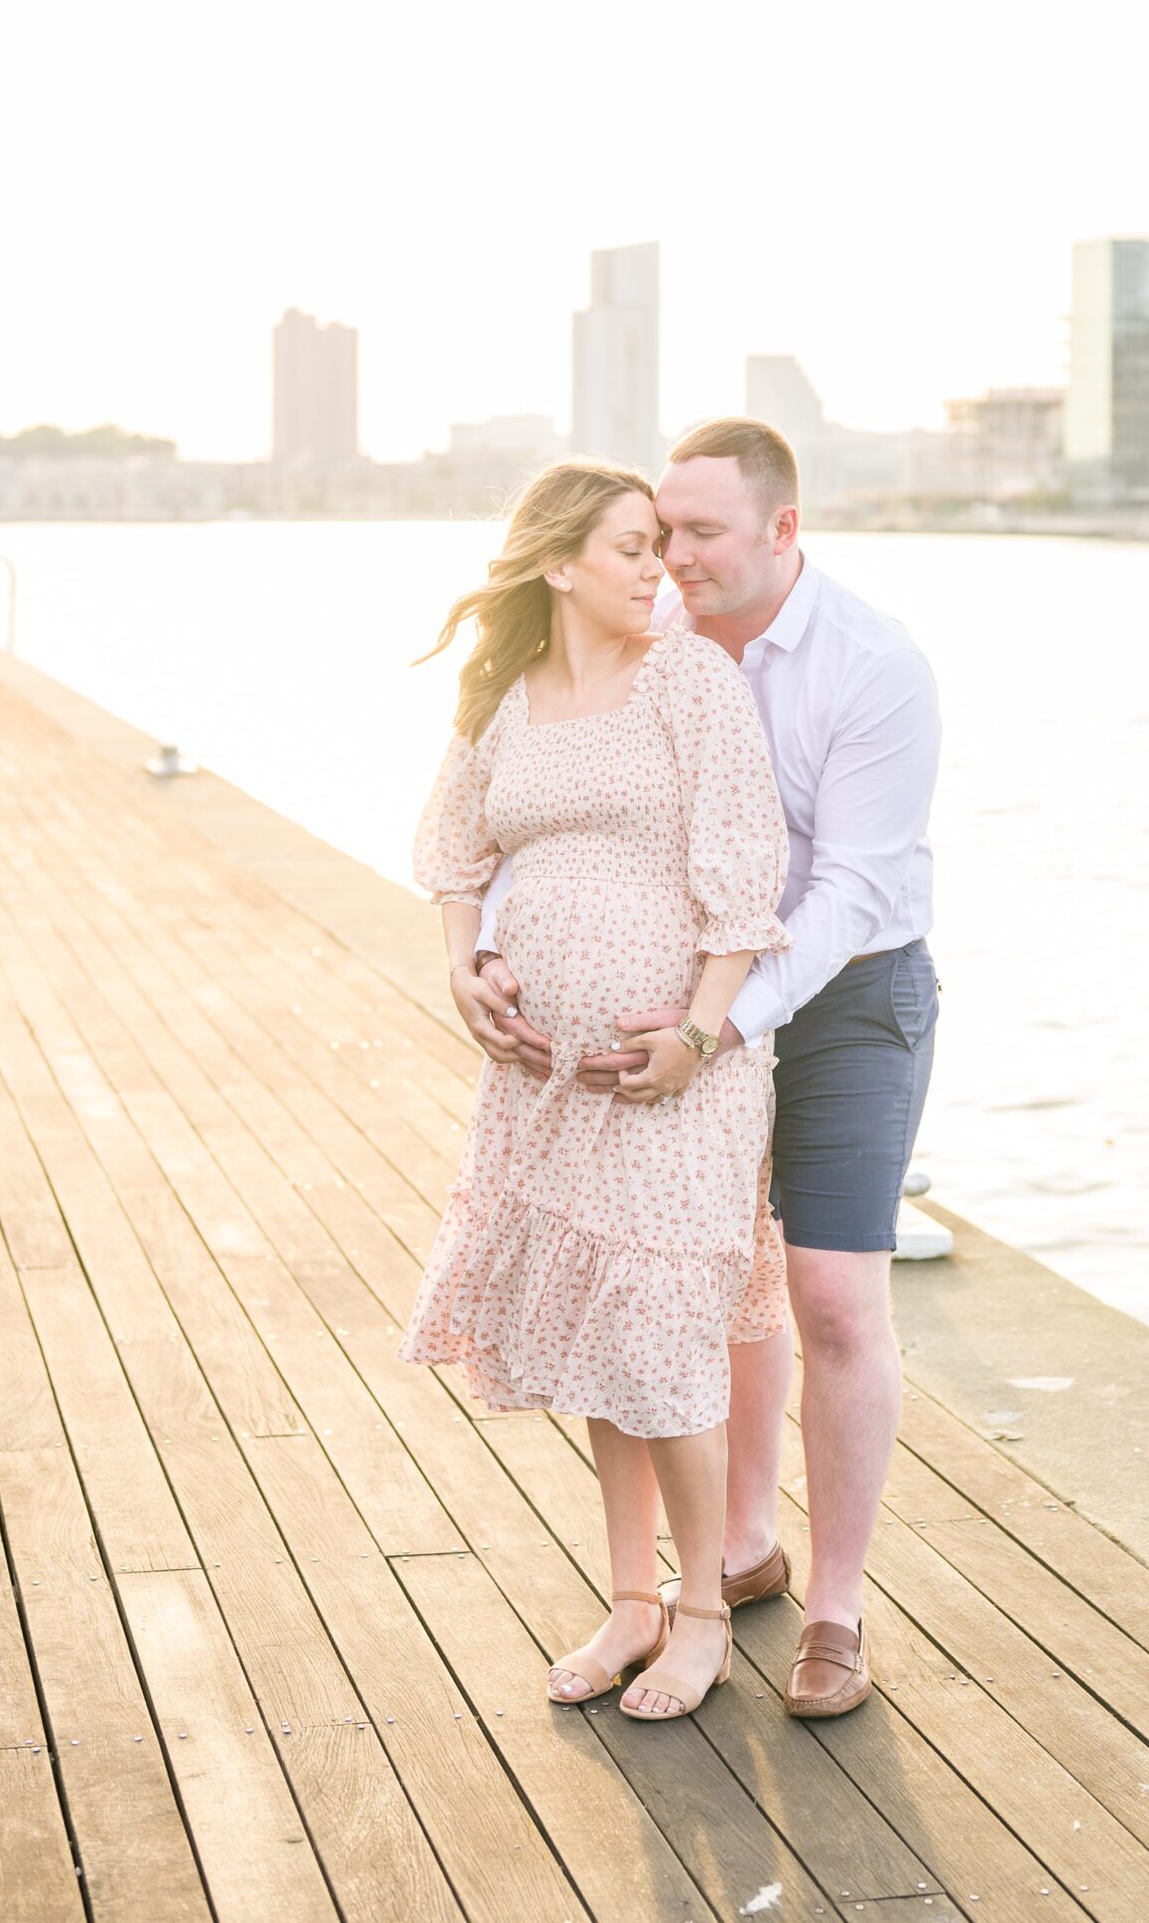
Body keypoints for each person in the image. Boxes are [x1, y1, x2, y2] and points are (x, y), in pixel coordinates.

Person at [460, 418, 941, 1718]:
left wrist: (714, 1027)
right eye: (655, 533)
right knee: (701, 1288)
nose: (670, 555)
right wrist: (493, 944)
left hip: (838, 992)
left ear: (782, 532)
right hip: (673, 1021)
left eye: (699, 534)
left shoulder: (869, 667)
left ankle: (832, 1613)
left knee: (828, 1293)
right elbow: (539, 812)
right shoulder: (641, 642)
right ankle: (729, 1553)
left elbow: (841, 893)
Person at [399, 458, 794, 1723]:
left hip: (675, 1078)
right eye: (631, 546)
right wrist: (465, 967)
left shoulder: (688, 678)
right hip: (543, 1083)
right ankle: (630, 1601)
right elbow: (454, 850)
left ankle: (701, 1616)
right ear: (559, 562)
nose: (658, 567)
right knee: (596, 1339)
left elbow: (745, 882)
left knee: (665, 1339)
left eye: (662, 545)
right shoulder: (502, 692)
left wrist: (694, 1029)